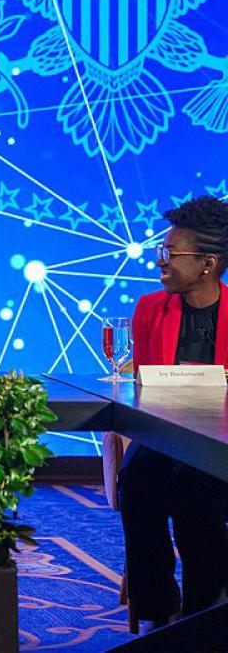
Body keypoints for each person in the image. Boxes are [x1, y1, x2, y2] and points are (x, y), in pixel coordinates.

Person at [119, 195, 228, 629]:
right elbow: (145, 392)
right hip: (164, 437)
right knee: (139, 479)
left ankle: (206, 608)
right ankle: (156, 607)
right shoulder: (150, 310)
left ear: (208, 263)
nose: (160, 262)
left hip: (220, 445)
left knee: (198, 487)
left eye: (170, 254)